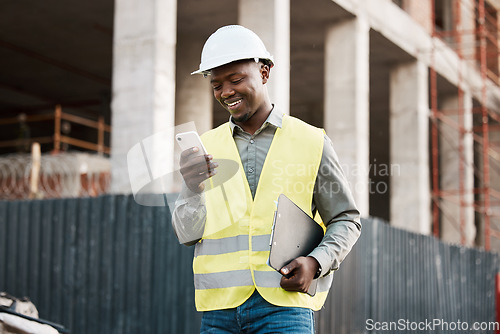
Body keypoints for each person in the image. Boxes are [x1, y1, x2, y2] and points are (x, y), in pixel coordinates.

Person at [172, 25, 361, 334]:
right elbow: (186, 234)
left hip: (283, 308)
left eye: (236, 80)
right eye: (216, 85)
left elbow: (346, 219)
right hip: (219, 312)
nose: (226, 92)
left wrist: (316, 263)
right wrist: (192, 188)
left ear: (264, 72)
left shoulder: (312, 141)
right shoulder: (205, 148)